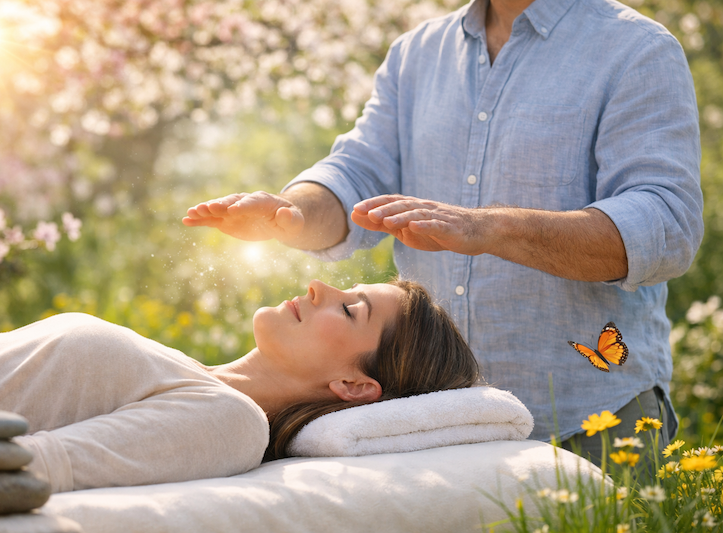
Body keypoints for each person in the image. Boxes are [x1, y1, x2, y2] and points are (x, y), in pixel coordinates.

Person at [182, 0, 703, 465]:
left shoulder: (636, 49)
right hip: (432, 434)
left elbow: (666, 223)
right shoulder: (416, 54)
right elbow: (356, 175)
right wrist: (291, 213)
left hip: (589, 422)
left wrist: (488, 228)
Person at [0, 279, 479, 492]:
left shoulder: (230, 423)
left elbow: (19, 465)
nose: (317, 286)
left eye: (350, 307)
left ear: (354, 386)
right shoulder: (187, 372)